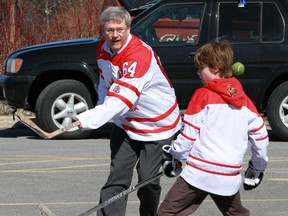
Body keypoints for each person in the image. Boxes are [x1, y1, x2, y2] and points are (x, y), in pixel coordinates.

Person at [75, 6, 182, 216]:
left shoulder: (139, 55)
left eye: (120, 29)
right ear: (102, 30)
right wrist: (100, 107)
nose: (115, 35)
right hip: (126, 123)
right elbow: (107, 83)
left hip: (156, 126)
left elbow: (123, 99)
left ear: (129, 28)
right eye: (110, 30)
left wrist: (88, 119)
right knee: (116, 180)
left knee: (147, 182)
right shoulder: (102, 49)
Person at [157, 41, 269, 216]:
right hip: (228, 175)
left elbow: (188, 136)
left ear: (215, 69)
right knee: (236, 214)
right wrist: (257, 167)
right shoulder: (245, 101)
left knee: (166, 213)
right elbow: (261, 137)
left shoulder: (202, 95)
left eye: (202, 68)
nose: (198, 73)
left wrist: (174, 155)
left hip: (199, 173)